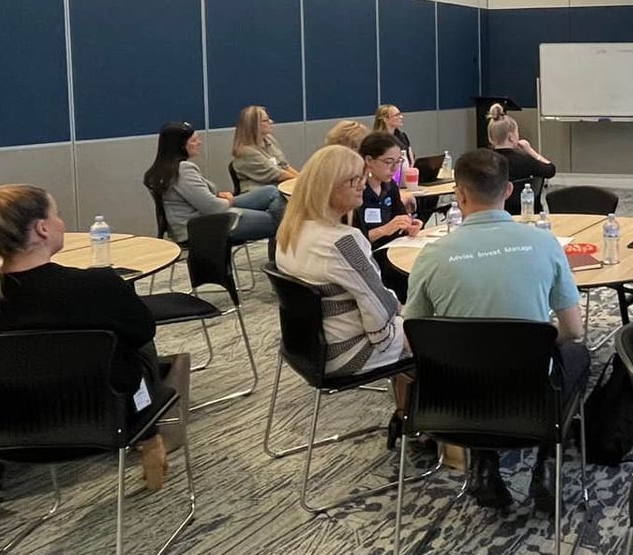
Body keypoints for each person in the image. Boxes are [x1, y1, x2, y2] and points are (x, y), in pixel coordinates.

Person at [0, 182, 188, 488]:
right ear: (42, 229)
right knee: (135, 346)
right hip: (100, 424)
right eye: (56, 215)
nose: (62, 222)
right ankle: (150, 436)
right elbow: (143, 331)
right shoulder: (97, 287)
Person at [403, 149, 589, 511]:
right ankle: (546, 464)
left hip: (454, 398)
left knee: (477, 354)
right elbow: (573, 329)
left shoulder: (432, 256)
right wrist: (540, 343)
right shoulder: (544, 243)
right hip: (530, 397)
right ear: (508, 191)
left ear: (459, 194)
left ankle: (484, 464)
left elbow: (413, 337)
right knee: (578, 355)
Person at [277, 146, 429, 458]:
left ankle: (406, 416)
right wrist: (406, 330)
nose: (362, 184)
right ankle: (432, 429)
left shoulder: (290, 233)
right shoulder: (343, 241)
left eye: (361, 177)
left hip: (308, 350)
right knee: (438, 332)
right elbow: (380, 311)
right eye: (353, 181)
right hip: (346, 354)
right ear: (326, 187)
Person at [142, 121, 282, 251]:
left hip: (198, 221)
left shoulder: (162, 170)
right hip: (206, 226)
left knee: (272, 191)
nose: (199, 142)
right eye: (194, 140)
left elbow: (197, 198)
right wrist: (228, 200)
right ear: (181, 145)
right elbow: (212, 207)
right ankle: (281, 257)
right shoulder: (183, 170)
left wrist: (220, 196)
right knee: (282, 221)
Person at [356, 131, 422, 298]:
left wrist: (410, 225)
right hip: (370, 261)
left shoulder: (390, 186)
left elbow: (401, 217)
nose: (395, 168)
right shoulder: (356, 192)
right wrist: (385, 229)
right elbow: (354, 241)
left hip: (393, 251)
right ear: (369, 161)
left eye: (398, 161)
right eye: (388, 162)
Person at [486, 115, 555, 210]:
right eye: (517, 132)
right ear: (511, 137)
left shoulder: (484, 162)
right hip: (525, 213)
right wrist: (531, 151)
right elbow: (550, 170)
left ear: (491, 138)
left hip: (496, 213)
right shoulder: (525, 160)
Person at [230, 105, 297, 188]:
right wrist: (302, 182)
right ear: (253, 125)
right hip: (261, 193)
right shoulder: (246, 152)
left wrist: (303, 179)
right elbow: (277, 174)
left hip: (277, 187)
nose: (271, 122)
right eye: (265, 120)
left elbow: (284, 166)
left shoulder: (269, 139)